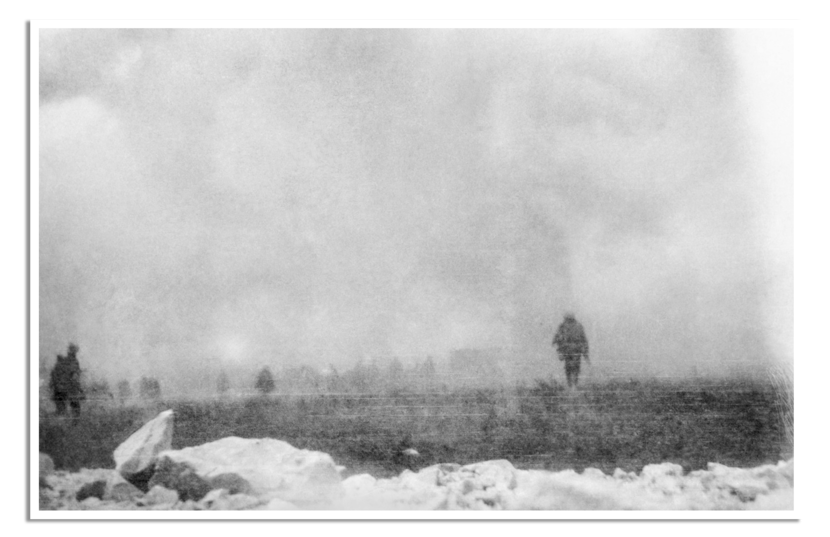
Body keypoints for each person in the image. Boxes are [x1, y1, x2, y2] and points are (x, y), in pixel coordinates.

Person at [553, 313, 589, 388]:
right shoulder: (578, 326)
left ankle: (571, 385)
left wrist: (557, 344)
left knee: (570, 368)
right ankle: (573, 385)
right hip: (575, 350)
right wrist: (585, 352)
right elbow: (584, 340)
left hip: (569, 350)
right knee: (574, 367)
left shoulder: (563, 326)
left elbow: (557, 337)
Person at [49, 343, 84, 417]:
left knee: (63, 408)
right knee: (72, 407)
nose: (75, 352)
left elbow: (54, 375)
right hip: (68, 388)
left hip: (62, 388)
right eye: (74, 350)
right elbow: (74, 376)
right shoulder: (72, 361)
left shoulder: (65, 361)